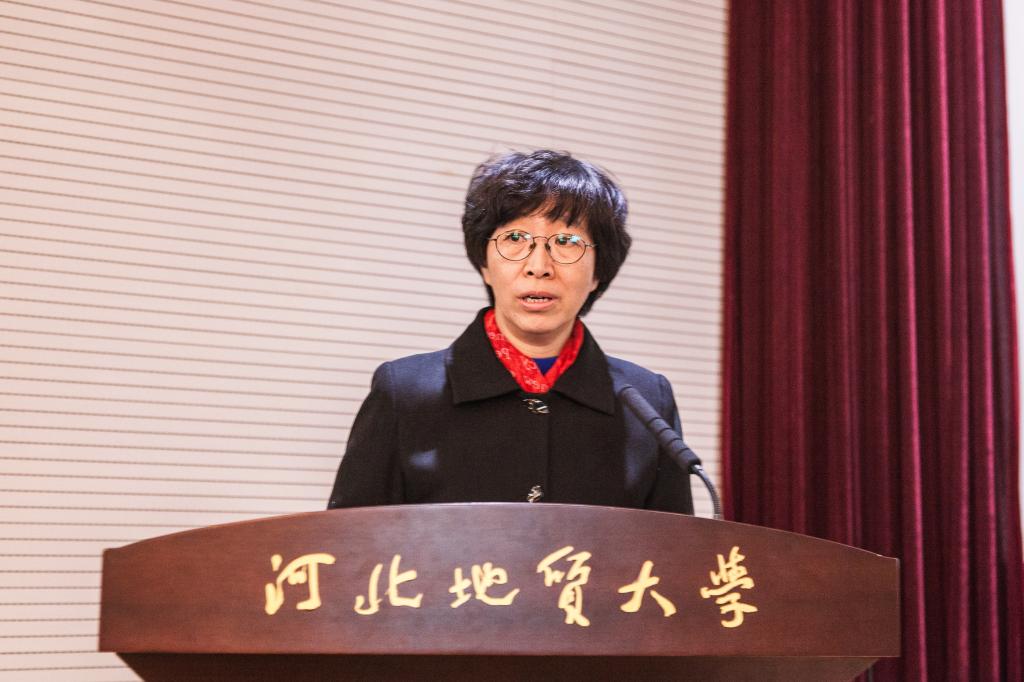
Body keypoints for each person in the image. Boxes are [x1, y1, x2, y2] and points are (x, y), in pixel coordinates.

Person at [327, 150, 693, 514]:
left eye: (567, 242)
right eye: (515, 238)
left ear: (598, 272)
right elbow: (349, 542)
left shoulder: (647, 402)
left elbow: (675, 546)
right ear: (485, 264)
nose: (539, 266)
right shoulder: (404, 393)